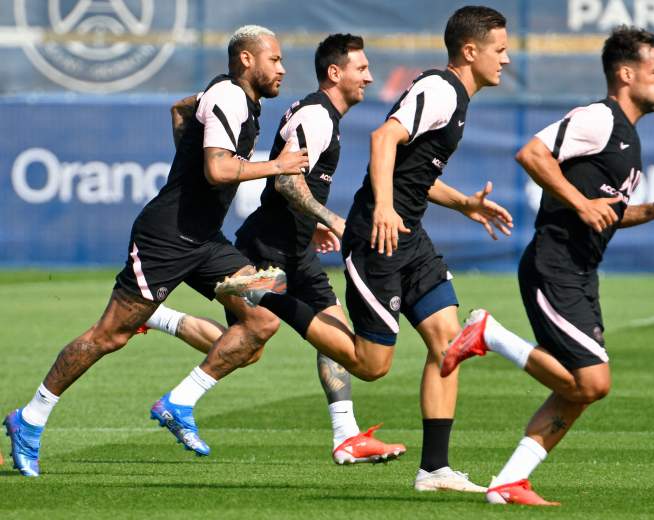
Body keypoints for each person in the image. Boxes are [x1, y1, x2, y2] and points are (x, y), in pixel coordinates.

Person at [218, 5, 514, 492]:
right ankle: (267, 293)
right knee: (372, 365)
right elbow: (384, 139)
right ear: (470, 50)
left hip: (409, 236)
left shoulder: (456, 99)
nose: (505, 59)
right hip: (379, 239)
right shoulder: (440, 90)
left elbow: (414, 177)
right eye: (499, 50)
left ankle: (435, 470)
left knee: (449, 343)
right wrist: (380, 208)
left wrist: (463, 203)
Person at [3, 25, 309, 477]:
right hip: (166, 238)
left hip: (204, 240)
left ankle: (178, 402)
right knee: (109, 335)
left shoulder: (232, 98)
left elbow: (181, 108)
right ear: (247, 60)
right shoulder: (228, 96)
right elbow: (218, 169)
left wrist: (185, 154)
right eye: (275, 59)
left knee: (261, 322)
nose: (282, 68)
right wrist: (277, 166)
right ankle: (30, 418)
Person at [440, 26, 654, 505]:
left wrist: (653, 211)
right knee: (592, 382)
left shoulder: (628, 138)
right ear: (625, 73)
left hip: (579, 272)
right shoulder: (599, 118)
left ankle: (507, 483)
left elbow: (605, 215)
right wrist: (579, 202)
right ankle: (488, 334)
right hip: (553, 266)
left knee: (581, 390)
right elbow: (531, 153)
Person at [142, 34, 405, 465]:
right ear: (335, 73)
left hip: (296, 250)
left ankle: (346, 436)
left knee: (346, 349)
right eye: (362, 69)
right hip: (267, 248)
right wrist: (330, 219)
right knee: (252, 344)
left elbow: (295, 182)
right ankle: (168, 352)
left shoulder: (325, 116)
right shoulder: (317, 115)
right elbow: (285, 179)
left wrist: (311, 225)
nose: (369, 78)